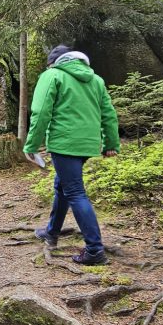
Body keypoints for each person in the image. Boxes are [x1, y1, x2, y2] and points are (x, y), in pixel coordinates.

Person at [23, 44, 120, 265]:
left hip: (64, 143)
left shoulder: (53, 75)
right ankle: (51, 232)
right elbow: (109, 114)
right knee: (63, 186)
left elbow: (40, 113)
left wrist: (31, 145)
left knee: (75, 191)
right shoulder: (96, 80)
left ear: (53, 63)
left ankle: (95, 250)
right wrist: (110, 143)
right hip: (88, 144)